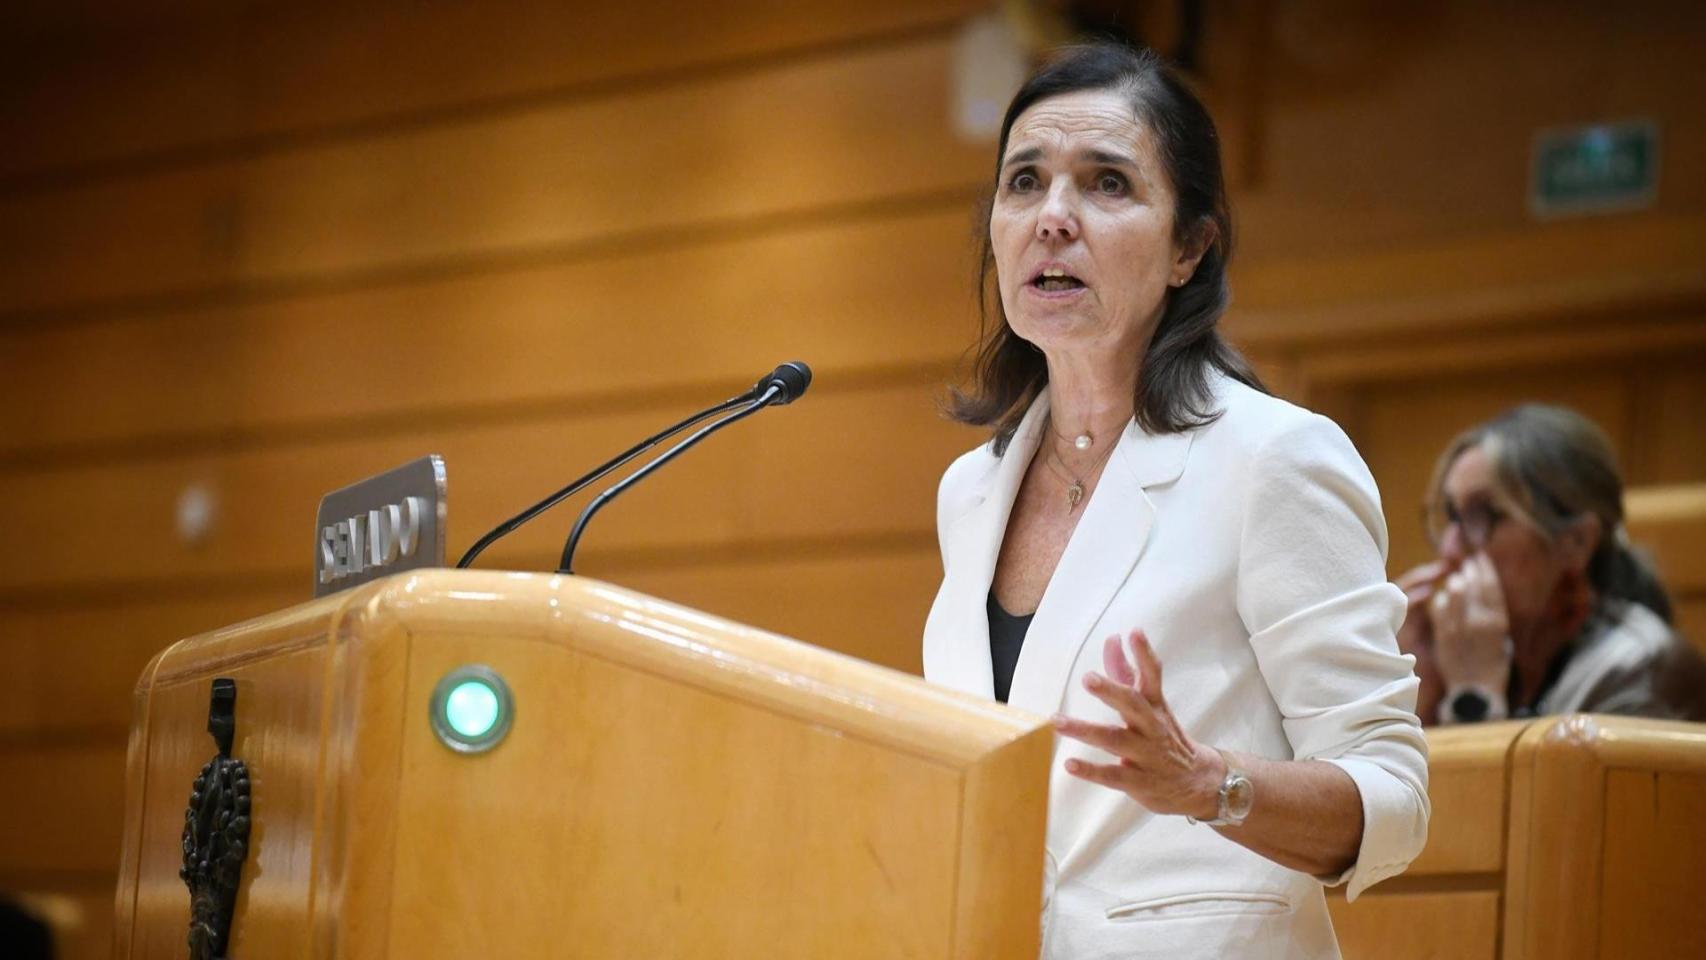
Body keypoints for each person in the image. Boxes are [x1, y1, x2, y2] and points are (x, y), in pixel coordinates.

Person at [921, 42, 1427, 959]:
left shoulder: (1272, 460)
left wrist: (1209, 784)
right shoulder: (972, 491)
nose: (1053, 217)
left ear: (1190, 246)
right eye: (1024, 181)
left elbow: (1393, 796)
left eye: (1106, 183)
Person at [1397, 403, 1706, 725]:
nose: (1449, 548)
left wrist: (1473, 694)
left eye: (1481, 516)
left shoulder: (1637, 672)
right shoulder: (1475, 654)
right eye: (1451, 516)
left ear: (1576, 542)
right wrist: (1420, 695)